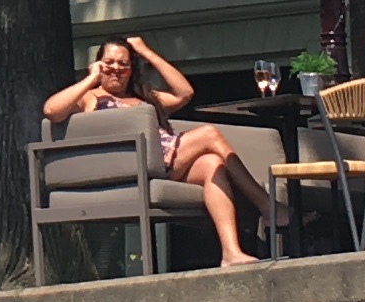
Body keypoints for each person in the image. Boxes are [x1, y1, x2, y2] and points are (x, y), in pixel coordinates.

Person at [42, 36, 267, 267]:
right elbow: (51, 110)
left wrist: (146, 52)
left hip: (166, 160)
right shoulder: (91, 97)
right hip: (137, 163)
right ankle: (265, 204)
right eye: (109, 62)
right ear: (98, 64)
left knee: (212, 164)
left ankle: (231, 252)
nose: (116, 69)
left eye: (124, 64)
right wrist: (91, 78)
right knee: (209, 134)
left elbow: (184, 93)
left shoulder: (143, 98)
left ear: (132, 70)